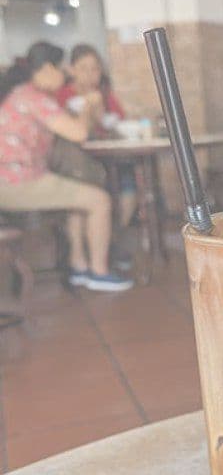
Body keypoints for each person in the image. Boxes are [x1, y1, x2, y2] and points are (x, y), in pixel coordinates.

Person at [0, 41, 132, 291]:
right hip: (17, 182)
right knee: (100, 200)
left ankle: (79, 266)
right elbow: (79, 133)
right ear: (48, 69)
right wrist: (89, 105)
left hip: (16, 179)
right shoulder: (35, 98)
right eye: (63, 69)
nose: (66, 76)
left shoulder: (22, 94)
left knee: (80, 195)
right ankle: (99, 272)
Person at [57, 43, 136, 232]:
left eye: (95, 69)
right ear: (72, 70)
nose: (90, 74)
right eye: (83, 68)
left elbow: (119, 123)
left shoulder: (105, 94)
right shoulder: (63, 95)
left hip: (108, 156)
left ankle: (118, 232)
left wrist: (101, 113)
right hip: (75, 160)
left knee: (128, 176)